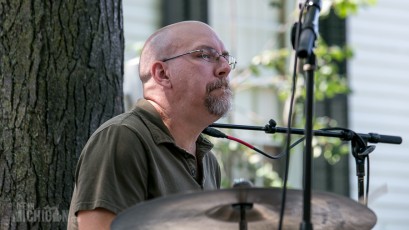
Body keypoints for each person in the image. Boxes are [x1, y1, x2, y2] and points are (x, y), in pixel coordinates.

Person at [67, 20, 237, 229]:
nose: (225, 68)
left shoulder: (209, 162)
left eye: (226, 58)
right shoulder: (123, 138)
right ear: (162, 74)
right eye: (205, 55)